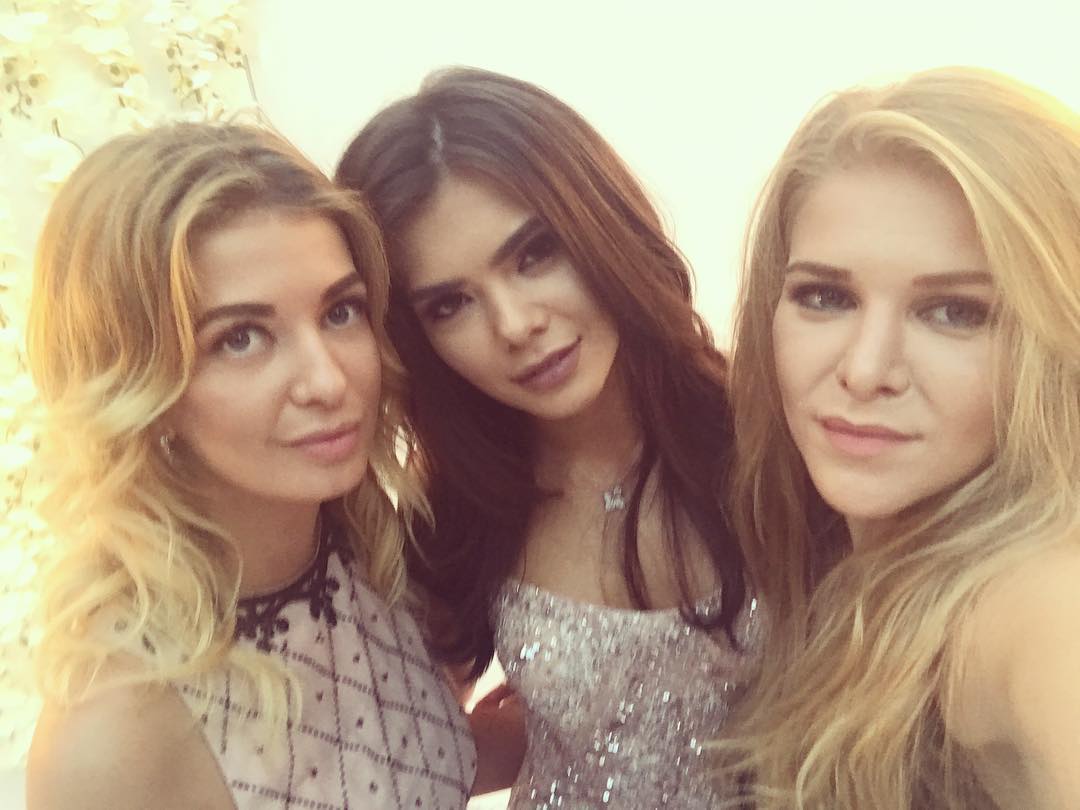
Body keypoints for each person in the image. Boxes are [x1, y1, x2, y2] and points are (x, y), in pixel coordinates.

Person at [335, 67, 758, 807]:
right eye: (450, 305)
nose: (515, 324)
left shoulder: (773, 440)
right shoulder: (456, 517)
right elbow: (414, 755)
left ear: (600, 223)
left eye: (534, 255)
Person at [24, 123, 475, 810]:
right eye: (240, 338)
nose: (328, 381)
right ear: (139, 386)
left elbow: (410, 774)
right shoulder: (114, 736)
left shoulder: (367, 544)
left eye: (340, 311)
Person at [719, 66, 1080, 809]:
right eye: (826, 297)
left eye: (954, 312)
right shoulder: (837, 564)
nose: (864, 370)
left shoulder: (1039, 604)